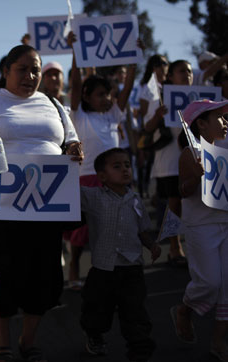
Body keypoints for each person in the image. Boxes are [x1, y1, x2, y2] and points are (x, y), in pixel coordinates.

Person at [0, 44, 83, 362]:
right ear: (7, 71)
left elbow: (70, 141)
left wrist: (74, 149)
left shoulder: (54, 104)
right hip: (3, 204)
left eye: (36, 70)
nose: (31, 76)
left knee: (45, 272)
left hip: (48, 203)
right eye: (23, 69)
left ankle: (29, 338)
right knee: (7, 269)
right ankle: (2, 332)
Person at [65, 32, 139, 291]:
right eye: (100, 94)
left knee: (111, 230)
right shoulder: (78, 116)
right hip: (86, 179)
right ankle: (73, 267)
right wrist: (75, 52)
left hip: (115, 183)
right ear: (86, 96)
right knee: (81, 232)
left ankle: (108, 275)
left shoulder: (113, 116)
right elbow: (74, 84)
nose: (107, 98)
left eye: (108, 94)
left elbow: (127, 90)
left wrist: (133, 62)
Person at [79, 148, 160, 362]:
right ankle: (94, 334)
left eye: (127, 164)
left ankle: (141, 359)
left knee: (136, 316)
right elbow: (66, 189)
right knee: (96, 310)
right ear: (102, 176)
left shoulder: (136, 200)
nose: (125, 169)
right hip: (103, 270)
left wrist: (151, 244)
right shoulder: (92, 197)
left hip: (132, 269)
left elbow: (142, 230)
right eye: (117, 166)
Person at [170, 99, 228, 362]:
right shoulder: (189, 153)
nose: (225, 122)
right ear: (201, 124)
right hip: (201, 226)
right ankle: (185, 308)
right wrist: (195, 177)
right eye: (219, 117)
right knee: (209, 282)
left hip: (226, 223)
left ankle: (218, 342)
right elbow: (183, 191)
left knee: (227, 286)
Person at [145, 60, 192, 266]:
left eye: (190, 71)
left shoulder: (200, 98)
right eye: (182, 71)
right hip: (170, 160)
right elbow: (147, 128)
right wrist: (157, 116)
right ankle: (175, 247)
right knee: (175, 204)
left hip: (194, 161)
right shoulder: (161, 99)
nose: (187, 75)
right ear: (170, 77)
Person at [137, 54, 169, 198]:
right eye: (159, 64)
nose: (163, 67)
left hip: (171, 137)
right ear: (152, 68)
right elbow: (144, 116)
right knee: (151, 165)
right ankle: (150, 192)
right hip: (155, 135)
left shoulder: (172, 86)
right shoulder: (148, 88)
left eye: (165, 63)